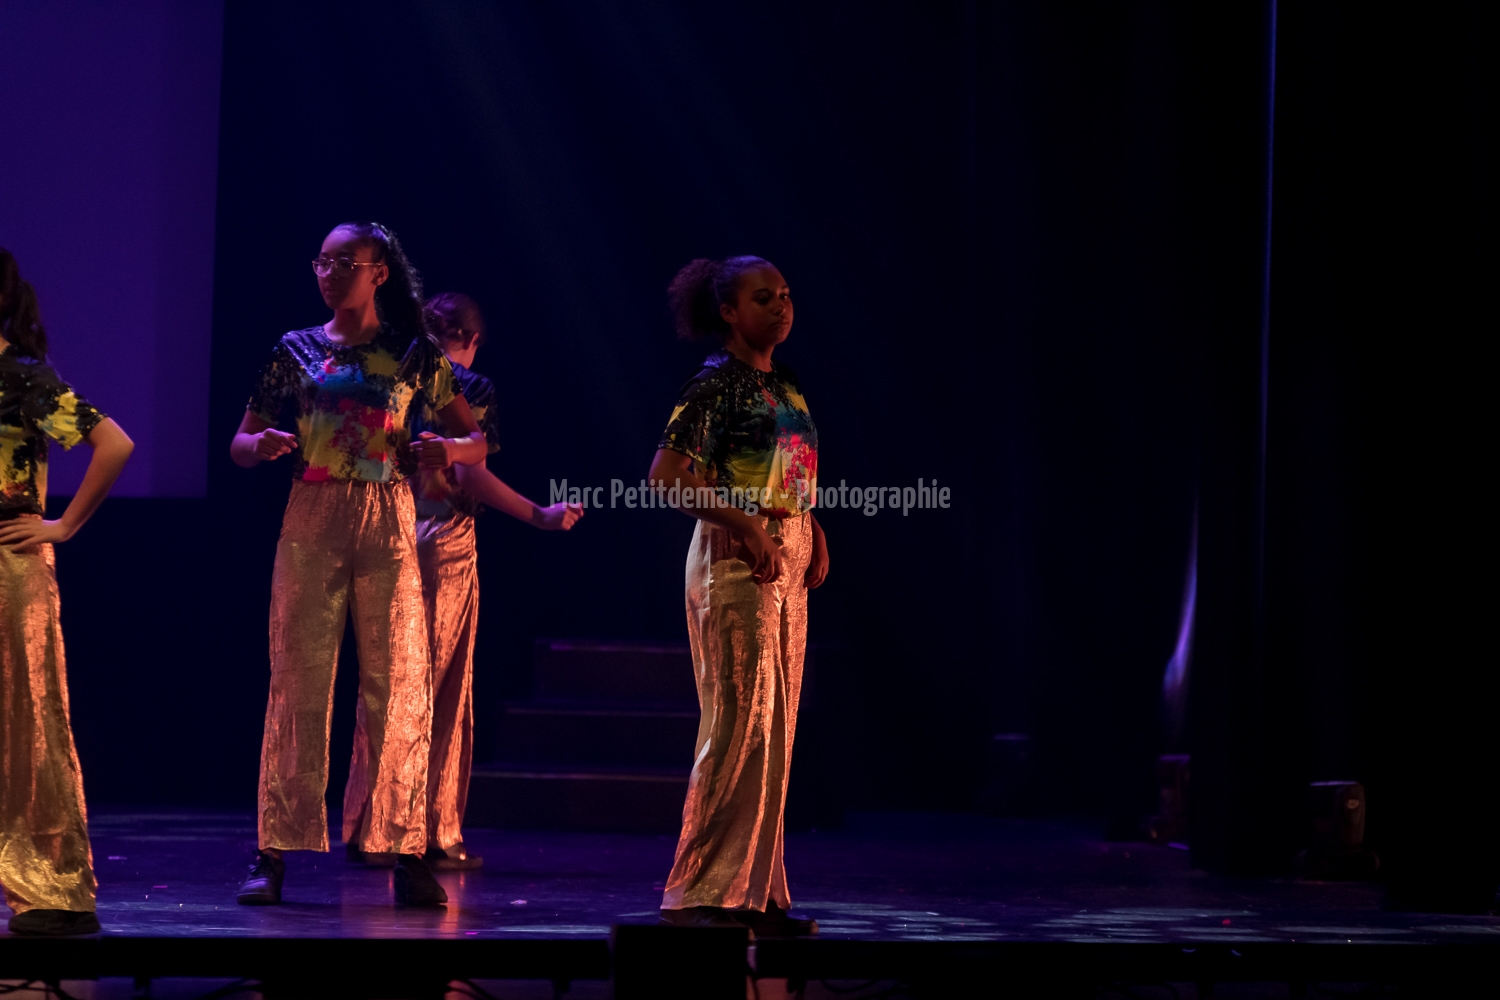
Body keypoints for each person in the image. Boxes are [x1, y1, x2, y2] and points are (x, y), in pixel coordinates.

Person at [229, 223, 487, 907]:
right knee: (297, 678)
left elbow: (473, 436)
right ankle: (272, 851)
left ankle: (408, 850)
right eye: (323, 261)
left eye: (346, 261)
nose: (330, 272)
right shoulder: (294, 348)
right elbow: (239, 442)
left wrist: (448, 451)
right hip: (311, 515)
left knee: (399, 681)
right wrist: (261, 445)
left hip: (387, 514)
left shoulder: (413, 352)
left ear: (379, 273)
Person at [344, 292, 583, 870]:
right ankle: (428, 830)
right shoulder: (467, 386)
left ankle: (370, 825)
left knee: (387, 678)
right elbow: (471, 474)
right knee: (439, 684)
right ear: (472, 341)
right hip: (441, 541)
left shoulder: (391, 381)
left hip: (385, 534)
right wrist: (539, 515)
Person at [651, 256, 828, 936]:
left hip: (787, 553)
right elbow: (668, 477)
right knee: (737, 724)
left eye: (785, 294)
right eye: (763, 297)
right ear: (728, 311)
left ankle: (756, 891)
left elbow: (791, 476)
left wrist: (812, 527)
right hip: (734, 556)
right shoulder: (714, 385)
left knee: (776, 728)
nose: (781, 306)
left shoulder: (785, 384)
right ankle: (700, 891)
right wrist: (748, 524)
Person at [0, 248, 134, 936]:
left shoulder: (22, 376)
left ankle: (54, 888)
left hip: (9, 563)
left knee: (29, 720)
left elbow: (114, 443)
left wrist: (63, 525)